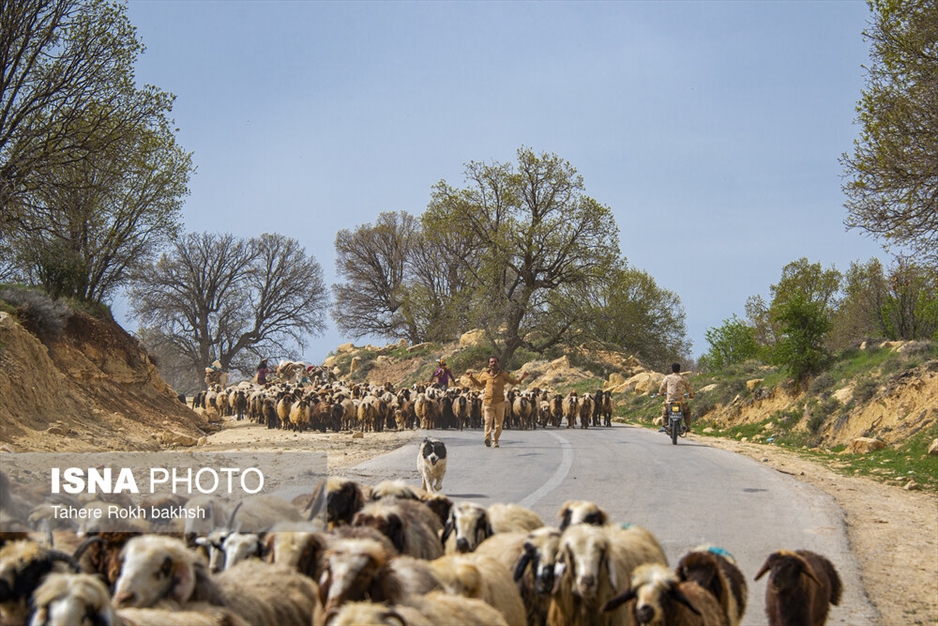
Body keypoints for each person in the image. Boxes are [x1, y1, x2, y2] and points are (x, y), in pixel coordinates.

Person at [465, 356, 528, 448]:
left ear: (498, 364)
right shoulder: (485, 375)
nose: (493, 364)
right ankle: (487, 438)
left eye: (495, 362)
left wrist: (522, 377)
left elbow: (513, 382)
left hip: (500, 403)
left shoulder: (503, 374)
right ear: (488, 364)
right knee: (488, 421)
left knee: (499, 424)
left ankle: (495, 440)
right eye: (491, 362)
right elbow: (479, 385)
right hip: (488, 402)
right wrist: (471, 378)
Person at [658, 362, 694, 433]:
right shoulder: (683, 378)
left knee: (665, 411)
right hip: (681, 401)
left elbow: (662, 387)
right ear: (679, 369)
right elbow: (689, 388)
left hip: (670, 401)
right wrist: (691, 395)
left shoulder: (668, 377)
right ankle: (688, 426)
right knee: (687, 411)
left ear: (672, 369)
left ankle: (664, 426)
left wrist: (660, 393)